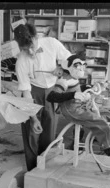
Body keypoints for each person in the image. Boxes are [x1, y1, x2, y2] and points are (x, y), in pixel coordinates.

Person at [46, 54, 110, 158]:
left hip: (80, 106)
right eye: (77, 65)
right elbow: (51, 96)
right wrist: (73, 95)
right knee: (99, 121)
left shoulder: (73, 78)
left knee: (107, 115)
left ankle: (102, 139)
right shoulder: (63, 81)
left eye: (83, 65)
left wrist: (90, 87)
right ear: (67, 66)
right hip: (72, 110)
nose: (81, 68)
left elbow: (77, 88)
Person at [14, 23, 71, 171]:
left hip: (51, 91)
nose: (31, 51)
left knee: (49, 131)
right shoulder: (21, 61)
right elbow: (26, 92)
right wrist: (33, 118)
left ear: (35, 37)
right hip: (32, 92)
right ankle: (33, 171)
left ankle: (46, 169)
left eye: (32, 46)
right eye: (26, 49)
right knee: (32, 133)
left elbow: (71, 60)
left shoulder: (51, 43)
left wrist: (62, 68)